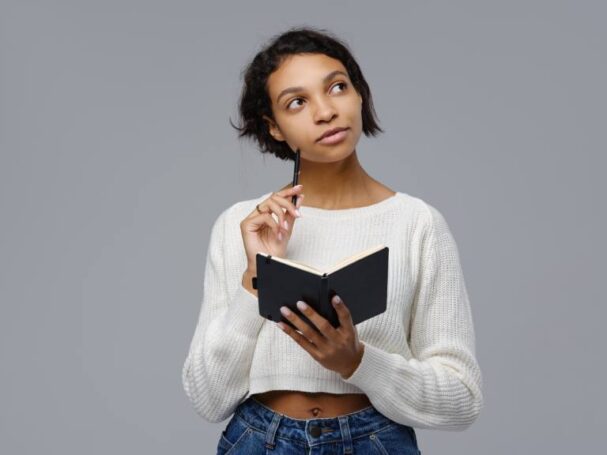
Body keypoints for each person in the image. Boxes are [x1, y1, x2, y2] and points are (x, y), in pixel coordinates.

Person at [182, 26, 483, 454]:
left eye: (337, 87)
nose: (325, 111)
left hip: (375, 442)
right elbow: (208, 398)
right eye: (297, 102)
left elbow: (462, 399)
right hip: (258, 441)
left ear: (359, 95)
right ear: (275, 127)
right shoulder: (244, 226)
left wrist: (358, 362)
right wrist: (256, 277)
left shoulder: (418, 225)